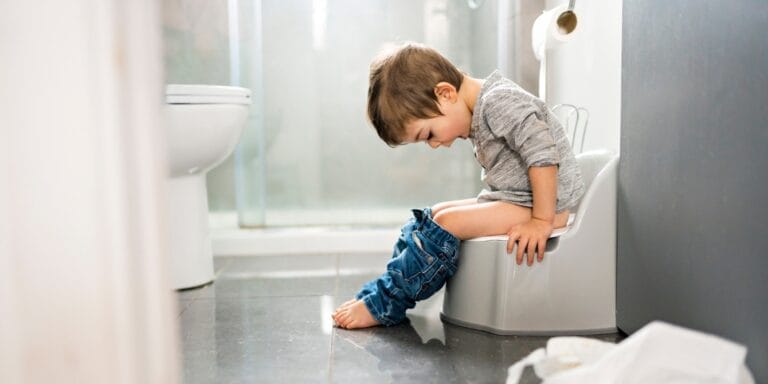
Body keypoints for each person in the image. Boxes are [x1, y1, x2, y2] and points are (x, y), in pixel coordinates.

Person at [332, 42, 584, 330]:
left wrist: (541, 220)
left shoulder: (497, 101)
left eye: (428, 134)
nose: (434, 144)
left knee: (447, 222)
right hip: (521, 200)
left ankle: (387, 303)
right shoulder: (485, 105)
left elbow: (542, 152)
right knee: (432, 216)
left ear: (445, 93)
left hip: (547, 206)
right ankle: (385, 289)